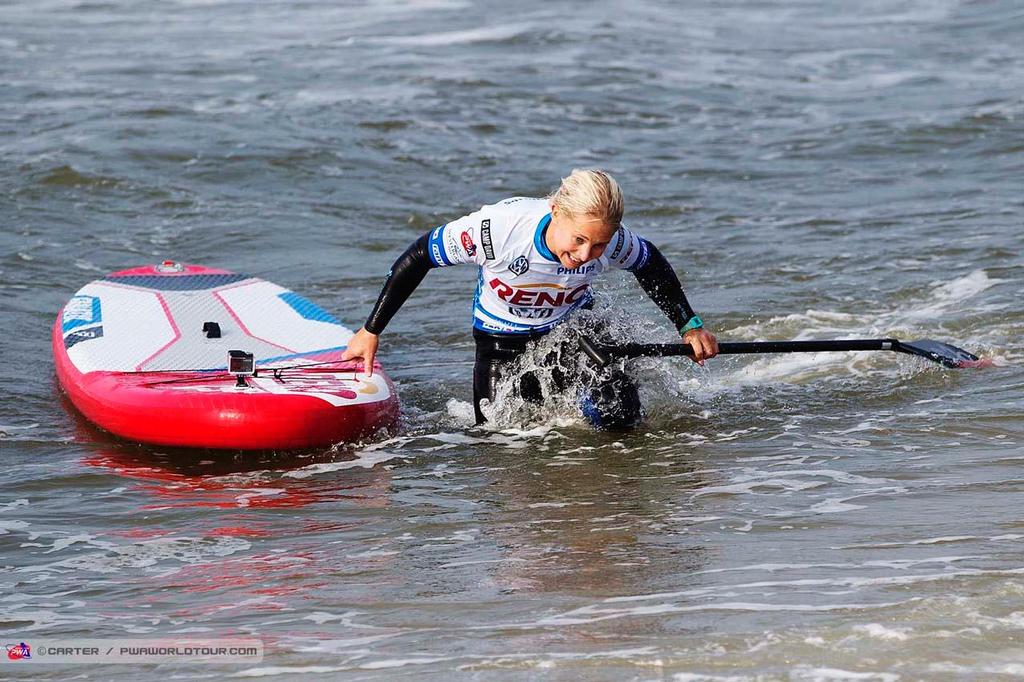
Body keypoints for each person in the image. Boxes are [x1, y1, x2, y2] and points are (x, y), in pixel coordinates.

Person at [341, 169, 718, 429]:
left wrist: (690, 326)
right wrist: (371, 330)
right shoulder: (498, 231)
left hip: (574, 333)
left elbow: (651, 264)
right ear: (555, 212)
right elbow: (419, 255)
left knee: (618, 415)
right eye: (580, 240)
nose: (588, 254)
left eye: (599, 243)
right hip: (501, 341)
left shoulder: (614, 242)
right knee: (500, 441)